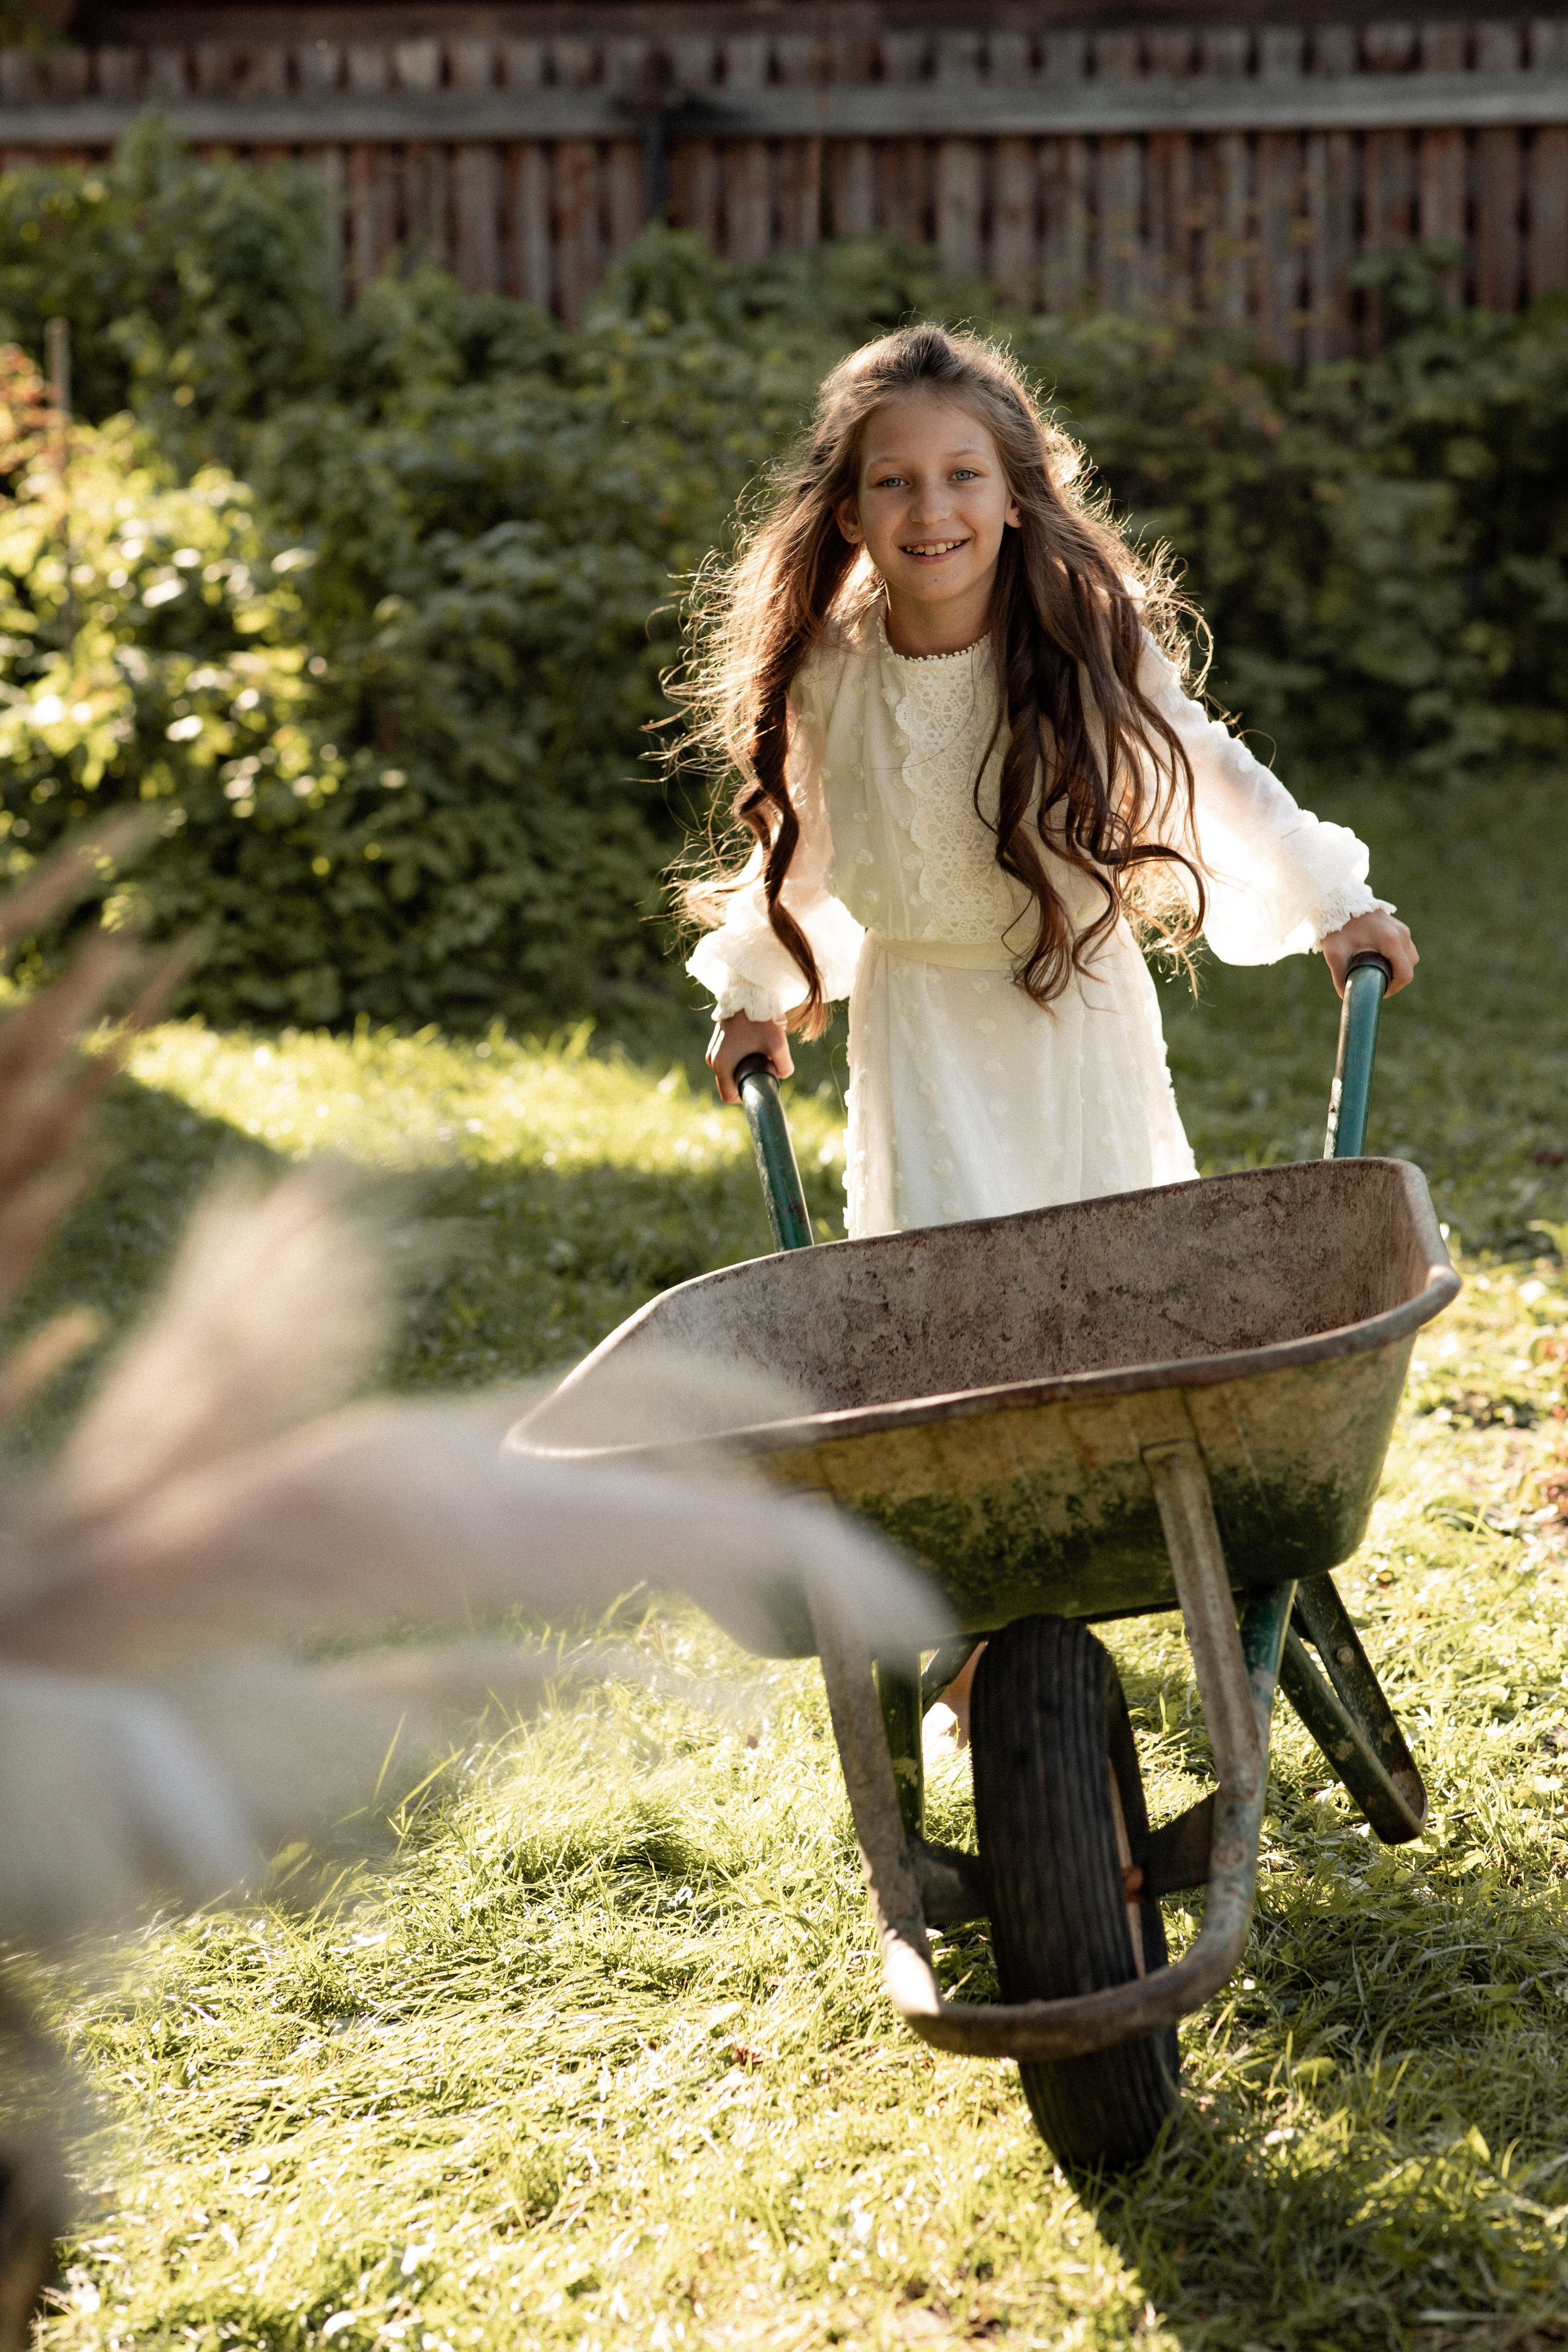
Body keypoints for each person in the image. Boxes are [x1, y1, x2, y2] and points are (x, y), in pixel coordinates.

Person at [677, 323, 1417, 1734]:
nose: (930, 509)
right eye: (892, 482)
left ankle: (1152, 1539)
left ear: (1016, 493)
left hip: (1068, 1010)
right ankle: (978, 1618)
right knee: (948, 1320)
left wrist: (1333, 901)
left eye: (962, 474)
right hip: (925, 1030)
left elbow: (1206, 776)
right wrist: (758, 991)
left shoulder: (1079, 642)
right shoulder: (835, 674)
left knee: (1114, 1286)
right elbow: (816, 863)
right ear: (847, 512)